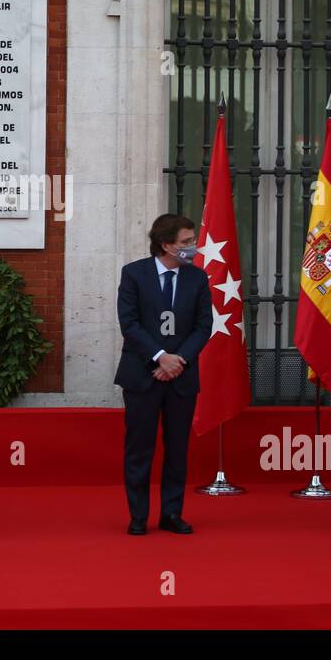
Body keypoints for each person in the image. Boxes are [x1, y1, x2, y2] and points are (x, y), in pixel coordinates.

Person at [113, 213, 213, 535]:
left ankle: (171, 514)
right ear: (166, 244)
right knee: (140, 447)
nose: (192, 247)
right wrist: (159, 357)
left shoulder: (197, 279)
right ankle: (138, 516)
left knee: (177, 448)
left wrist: (178, 360)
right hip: (142, 375)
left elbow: (203, 326)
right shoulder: (134, 274)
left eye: (192, 241)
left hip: (181, 377)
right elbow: (129, 323)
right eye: (186, 242)